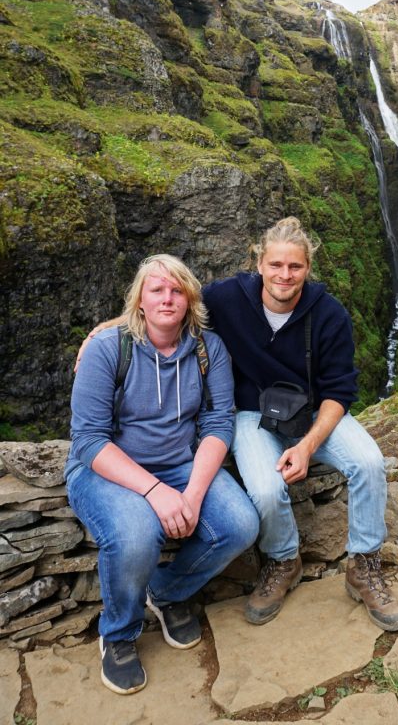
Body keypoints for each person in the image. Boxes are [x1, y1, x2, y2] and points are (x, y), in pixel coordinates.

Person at [201, 217, 398, 632]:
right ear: (259, 263)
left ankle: (363, 563)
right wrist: (108, 330)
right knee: (263, 486)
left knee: (369, 463)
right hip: (251, 413)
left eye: (294, 267)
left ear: (307, 268)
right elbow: (167, 304)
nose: (284, 275)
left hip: (313, 411)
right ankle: (284, 560)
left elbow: (339, 391)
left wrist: (308, 446)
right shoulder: (225, 299)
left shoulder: (329, 314)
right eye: (276, 265)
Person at [66, 254, 259, 696]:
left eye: (177, 291)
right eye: (157, 290)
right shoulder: (107, 348)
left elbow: (217, 425)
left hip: (179, 462)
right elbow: (90, 440)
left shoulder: (209, 349)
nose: (167, 299)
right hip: (105, 468)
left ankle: (167, 593)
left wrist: (190, 495)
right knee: (137, 532)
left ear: (191, 300)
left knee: (239, 525)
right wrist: (154, 492)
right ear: (139, 300)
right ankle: (118, 634)